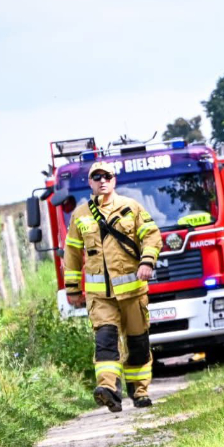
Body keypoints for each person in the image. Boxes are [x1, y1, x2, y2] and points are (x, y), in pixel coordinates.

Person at [63, 166, 162, 411]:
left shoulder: (131, 207)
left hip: (133, 292)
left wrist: (147, 261)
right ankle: (108, 390)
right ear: (90, 183)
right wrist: (73, 289)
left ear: (114, 180)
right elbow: (72, 253)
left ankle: (139, 392)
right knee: (105, 341)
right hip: (100, 297)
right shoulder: (81, 215)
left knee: (137, 342)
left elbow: (152, 236)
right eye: (97, 177)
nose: (102, 181)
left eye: (107, 176)